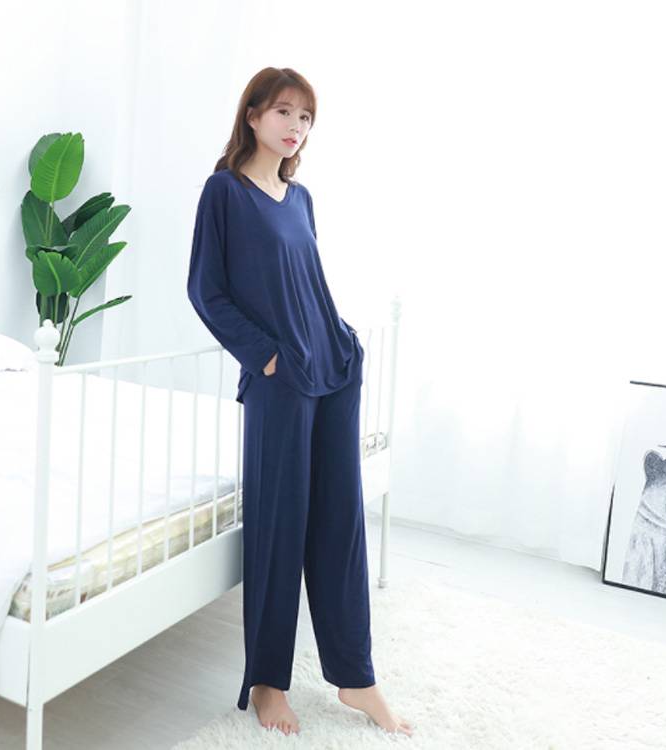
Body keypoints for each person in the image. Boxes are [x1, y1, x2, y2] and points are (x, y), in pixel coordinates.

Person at [187, 67, 413, 738]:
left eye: (306, 117)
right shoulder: (224, 192)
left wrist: (341, 341)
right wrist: (266, 356)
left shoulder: (301, 198)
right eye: (284, 112)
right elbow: (206, 290)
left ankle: (356, 677)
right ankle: (267, 682)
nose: (296, 126)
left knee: (341, 524)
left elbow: (307, 283)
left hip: (333, 371)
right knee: (279, 527)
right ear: (253, 115)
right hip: (280, 381)